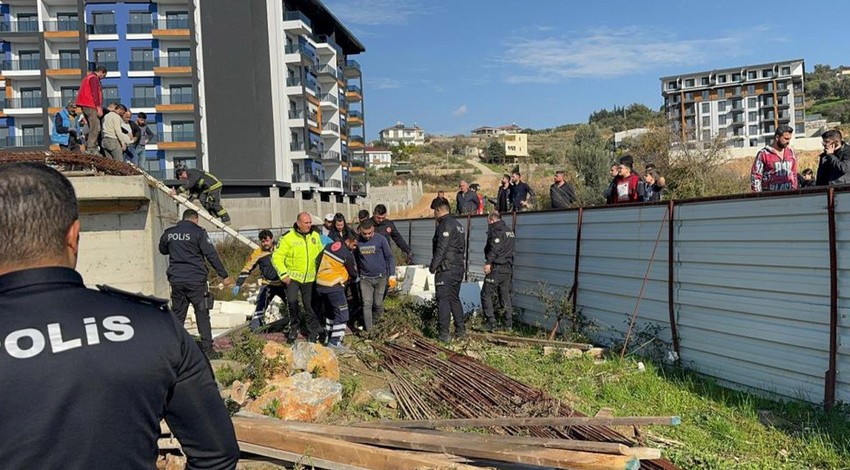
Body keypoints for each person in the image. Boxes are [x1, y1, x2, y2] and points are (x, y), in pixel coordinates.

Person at [0, 162, 239, 469]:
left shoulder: (170, 240)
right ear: (74, 236)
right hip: (192, 283)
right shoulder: (152, 327)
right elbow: (217, 456)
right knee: (198, 317)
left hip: (178, 280)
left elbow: (162, 247)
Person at [158, 209, 233, 358]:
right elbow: (210, 254)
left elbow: (162, 249)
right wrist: (224, 275)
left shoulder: (169, 232)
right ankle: (207, 350)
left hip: (177, 280)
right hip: (195, 281)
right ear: (196, 219)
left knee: (178, 315)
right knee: (202, 314)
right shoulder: (199, 232)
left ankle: (174, 350)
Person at [272, 212, 325, 343]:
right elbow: (276, 257)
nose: (309, 225)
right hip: (293, 278)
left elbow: (325, 252)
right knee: (292, 302)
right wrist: (283, 274)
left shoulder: (316, 236)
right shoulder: (288, 238)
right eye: (306, 223)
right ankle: (293, 328)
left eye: (310, 222)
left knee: (309, 306)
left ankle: (312, 332)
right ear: (298, 223)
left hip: (310, 278)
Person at [233, 229, 287, 332]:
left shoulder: (281, 248)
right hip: (267, 285)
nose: (265, 243)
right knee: (259, 309)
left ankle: (298, 325)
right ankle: (255, 331)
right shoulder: (258, 253)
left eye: (267, 241)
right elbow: (247, 268)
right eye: (262, 241)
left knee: (293, 306)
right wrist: (239, 284)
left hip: (282, 284)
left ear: (271, 239)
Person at [315, 231, 359, 353]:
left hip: (320, 284)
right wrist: (355, 278)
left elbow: (318, 259)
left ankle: (328, 337)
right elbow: (353, 273)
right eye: (354, 245)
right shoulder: (347, 255)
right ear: (348, 241)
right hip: (334, 286)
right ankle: (335, 342)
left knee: (330, 313)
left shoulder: (330, 246)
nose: (355, 248)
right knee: (343, 314)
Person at [429, 198, 467, 343]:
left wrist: (433, 266)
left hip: (446, 269)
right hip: (458, 268)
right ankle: (460, 330)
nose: (434, 214)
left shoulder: (445, 224)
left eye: (435, 211)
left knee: (443, 300)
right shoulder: (458, 225)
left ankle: (443, 334)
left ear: (439, 210)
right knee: (454, 299)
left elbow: (442, 248)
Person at [355, 218, 396, 331]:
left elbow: (389, 257)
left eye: (369, 233)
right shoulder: (357, 241)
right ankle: (370, 331)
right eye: (364, 233)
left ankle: (379, 325)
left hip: (380, 278)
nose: (367, 236)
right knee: (366, 304)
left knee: (377, 303)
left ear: (373, 229)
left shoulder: (381, 239)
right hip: (365, 279)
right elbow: (354, 258)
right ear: (360, 231)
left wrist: (392, 274)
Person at [480, 211, 515, 331]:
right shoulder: (509, 230)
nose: (488, 225)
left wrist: (488, 263)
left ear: (492, 220)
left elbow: (494, 249)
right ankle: (508, 323)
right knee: (505, 296)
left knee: (486, 294)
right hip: (507, 268)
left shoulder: (497, 231)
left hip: (497, 267)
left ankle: (491, 322)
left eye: (488, 222)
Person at [751, 125, 798, 192]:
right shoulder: (763, 154)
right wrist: (758, 197)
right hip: (769, 197)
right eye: (786, 139)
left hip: (789, 196)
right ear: (777, 137)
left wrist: (794, 191)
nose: (788, 142)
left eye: (789, 139)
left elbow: (794, 174)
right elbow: (756, 177)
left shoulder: (791, 153)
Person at [75, 65, 107, 154]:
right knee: (96, 127)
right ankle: (91, 148)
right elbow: (95, 93)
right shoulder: (94, 79)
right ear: (101, 72)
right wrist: (98, 107)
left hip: (85, 105)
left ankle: (91, 146)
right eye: (103, 76)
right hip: (90, 105)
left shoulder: (87, 78)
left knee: (92, 126)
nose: (102, 78)